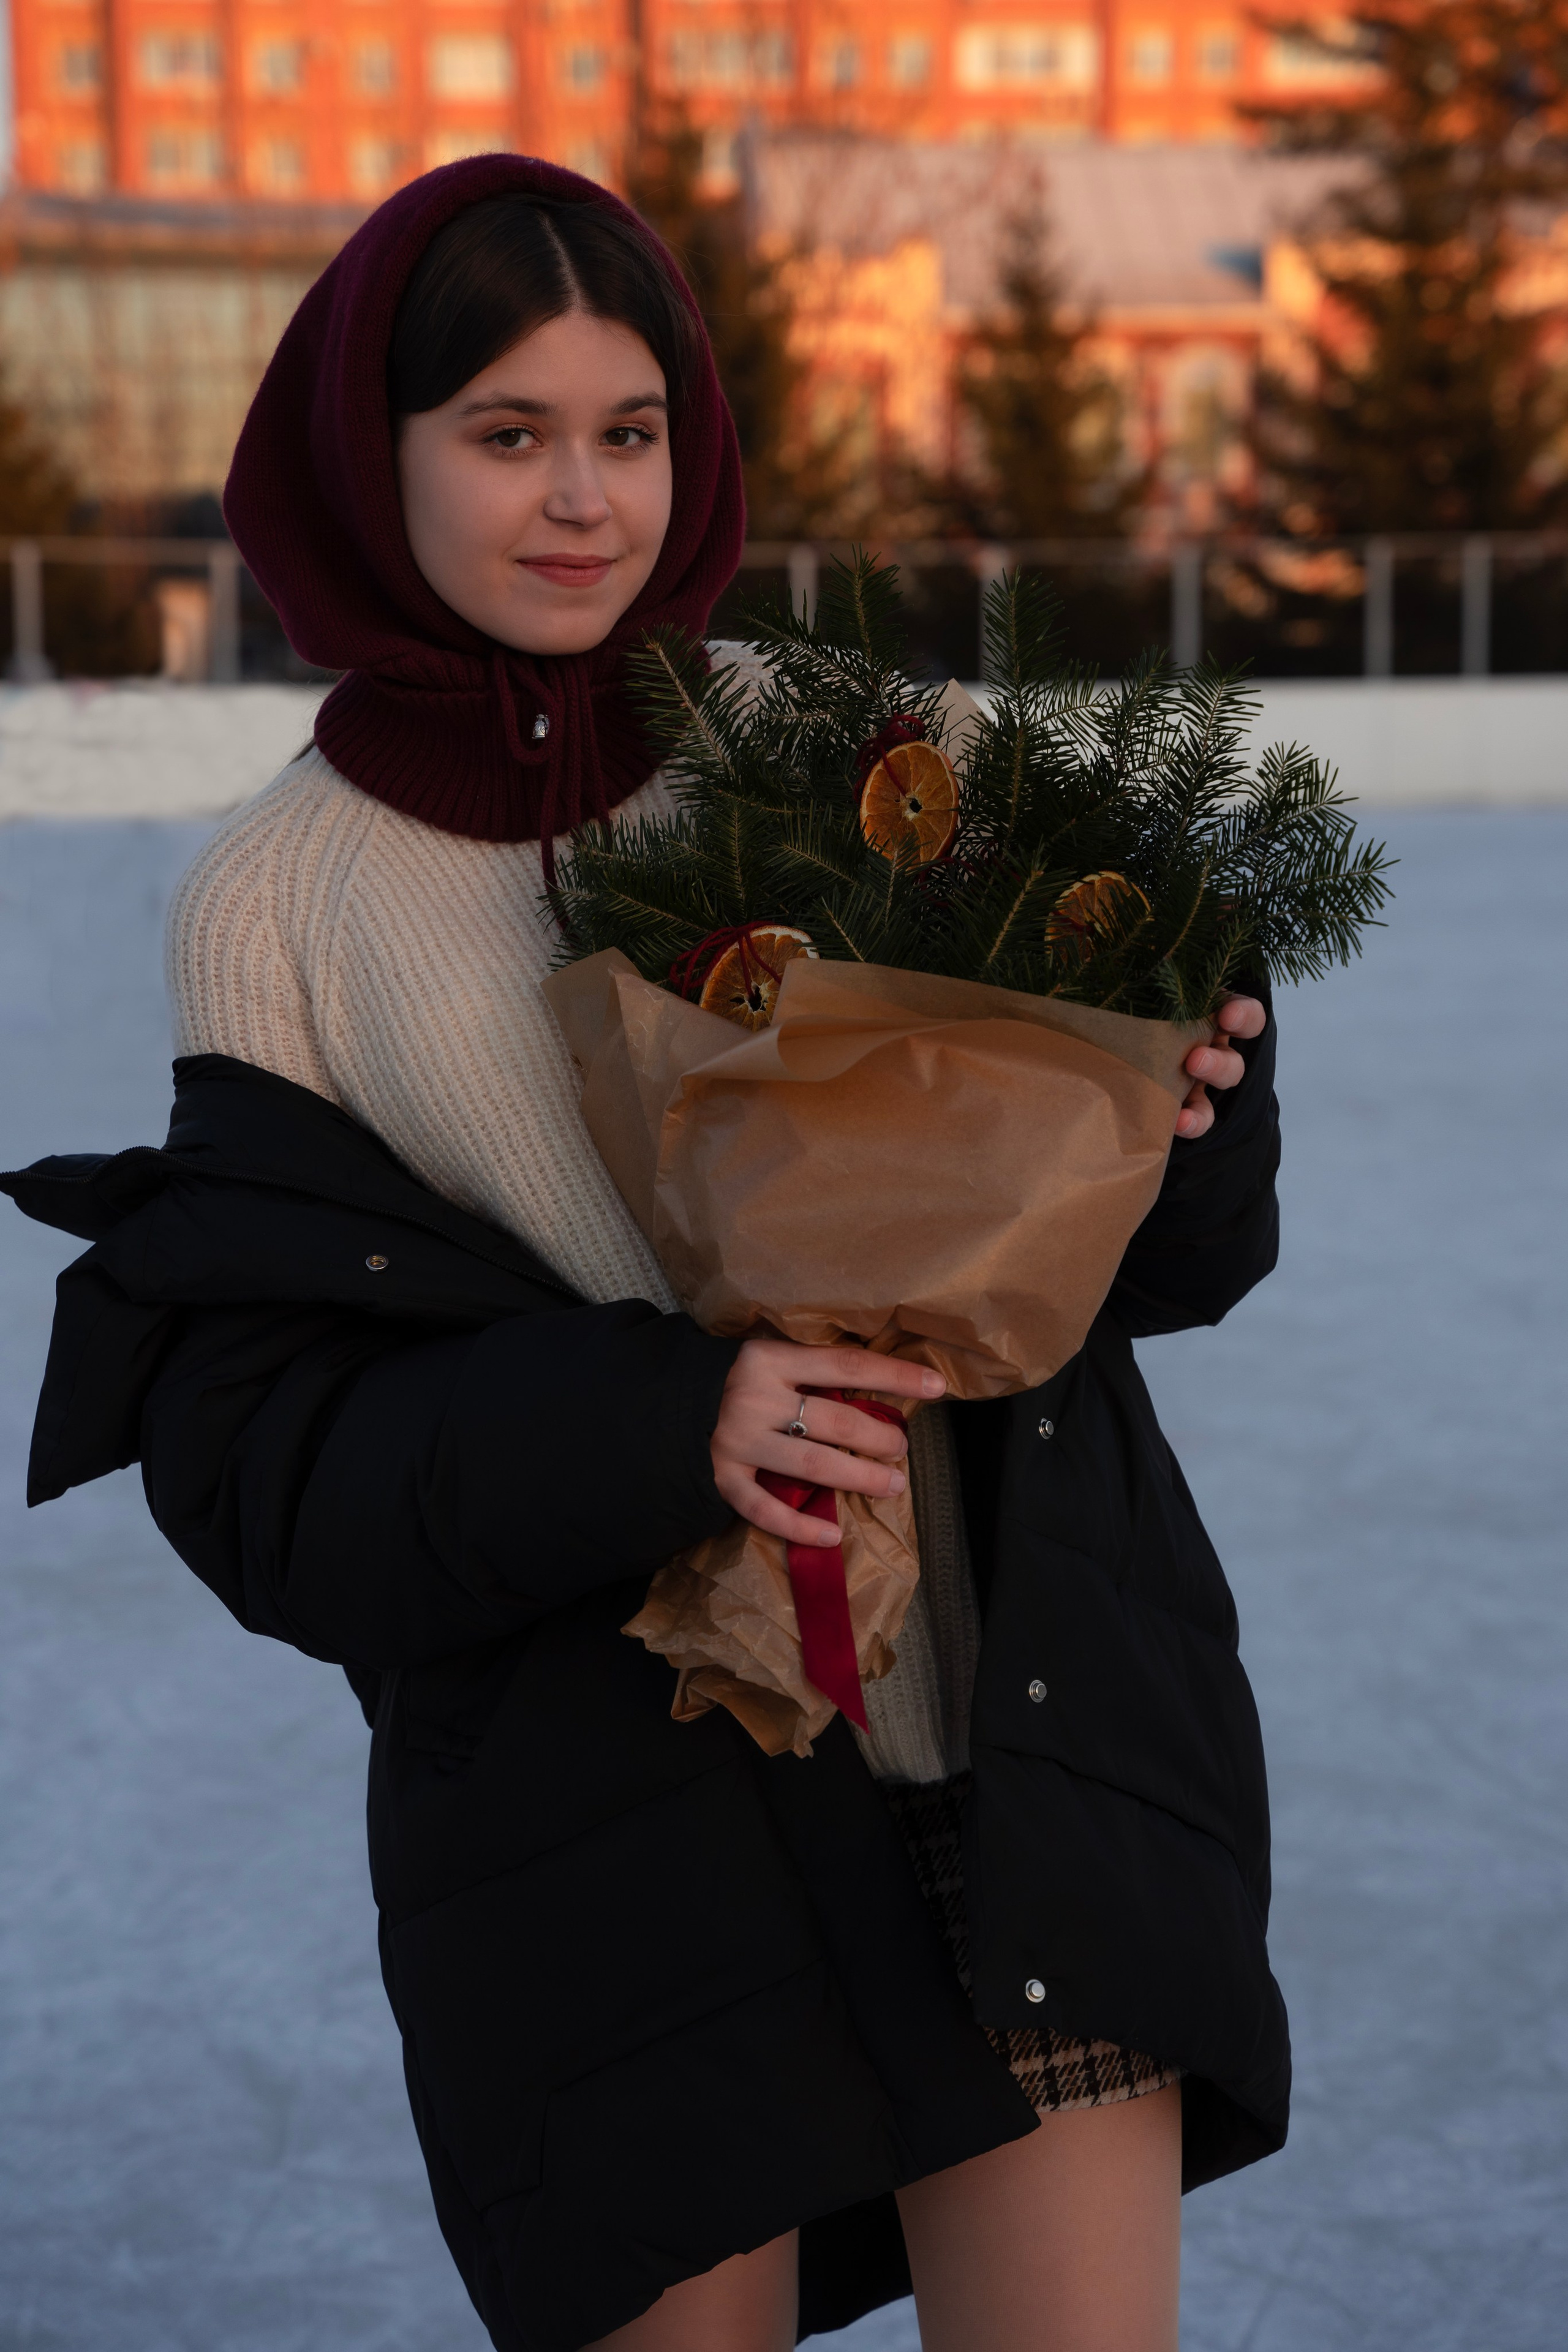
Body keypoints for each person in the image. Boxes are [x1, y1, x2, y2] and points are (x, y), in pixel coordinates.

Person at [1, 156, 1287, 2351]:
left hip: (1022, 1743)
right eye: (506, 434)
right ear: (363, 452)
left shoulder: (874, 751)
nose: (581, 498)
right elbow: (277, 1468)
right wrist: (662, 1423)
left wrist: (1182, 1115)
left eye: (629, 431)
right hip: (621, 1854)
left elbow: (1146, 1266)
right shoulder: (279, 905)